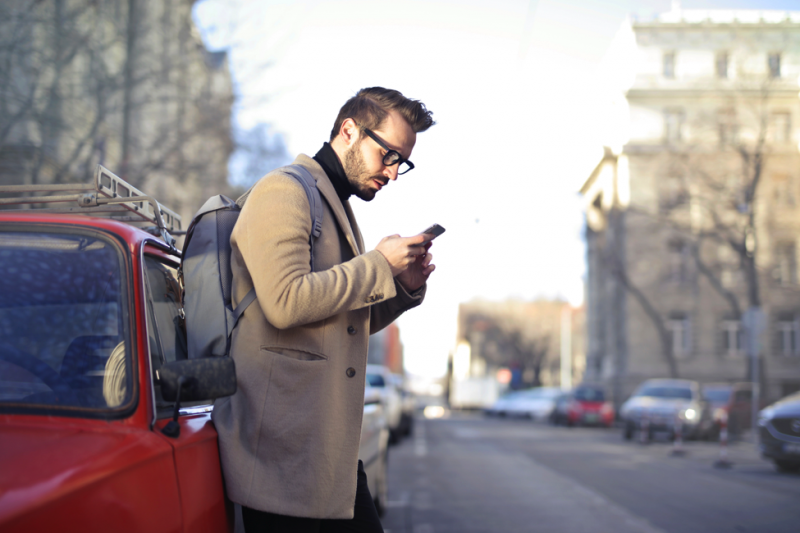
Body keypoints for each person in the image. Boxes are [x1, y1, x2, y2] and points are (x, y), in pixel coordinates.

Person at [212, 87, 436, 533]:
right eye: (388, 155)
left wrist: (400, 289)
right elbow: (286, 301)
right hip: (280, 458)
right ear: (349, 130)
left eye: (402, 163)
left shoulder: (336, 208)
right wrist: (377, 265)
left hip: (324, 454)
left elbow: (340, 322)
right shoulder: (285, 190)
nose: (393, 174)